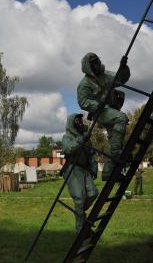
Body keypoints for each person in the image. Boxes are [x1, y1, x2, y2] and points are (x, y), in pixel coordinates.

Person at [77, 53, 130, 181]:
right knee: (121, 118)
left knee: (114, 140)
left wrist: (123, 67)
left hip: (111, 109)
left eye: (98, 61)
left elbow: (120, 79)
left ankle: (107, 172)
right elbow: (82, 101)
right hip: (100, 112)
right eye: (94, 63)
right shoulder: (84, 84)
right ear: (89, 67)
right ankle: (117, 154)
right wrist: (96, 105)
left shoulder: (105, 75)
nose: (98, 64)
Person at [61, 113, 99, 234]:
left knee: (93, 193)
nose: (80, 123)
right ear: (72, 123)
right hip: (73, 168)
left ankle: (81, 213)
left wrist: (94, 168)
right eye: (77, 120)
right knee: (79, 199)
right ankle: (80, 230)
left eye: (81, 120)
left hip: (85, 169)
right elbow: (68, 149)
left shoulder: (85, 137)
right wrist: (80, 139)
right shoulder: (67, 137)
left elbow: (92, 153)